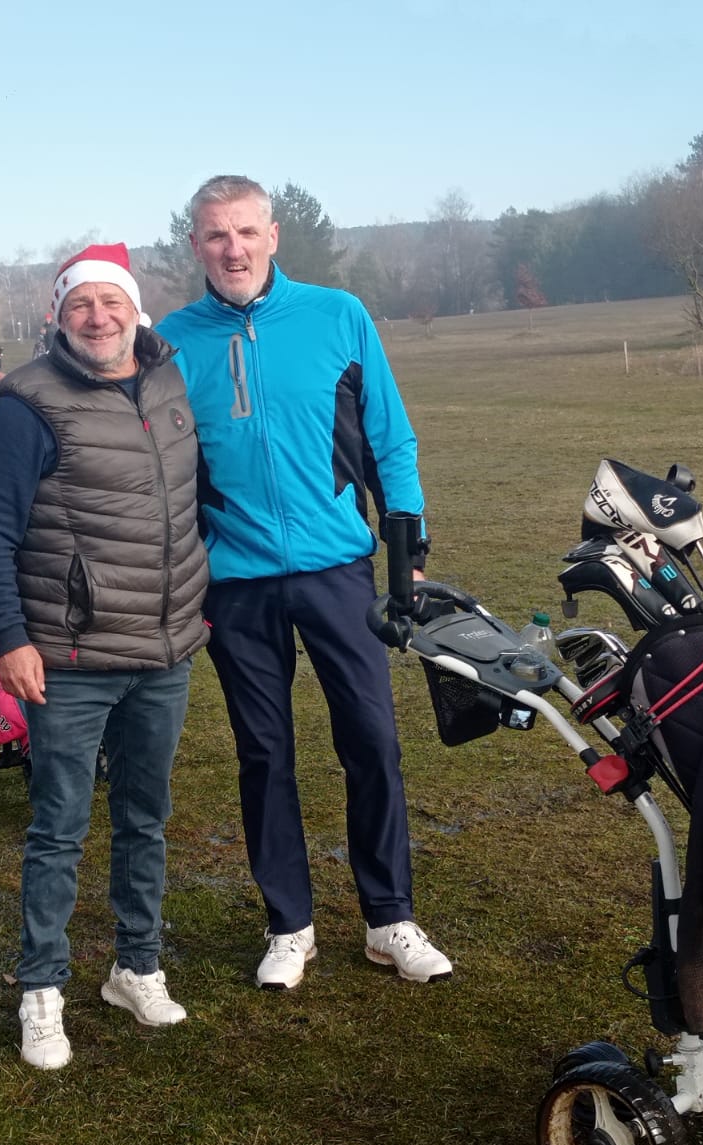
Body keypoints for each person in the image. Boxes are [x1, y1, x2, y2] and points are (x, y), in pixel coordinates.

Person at [157, 175, 451, 990]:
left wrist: (407, 551)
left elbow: (391, 439)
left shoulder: (338, 316)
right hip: (235, 583)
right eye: (217, 235)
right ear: (196, 245)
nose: (233, 249)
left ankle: (389, 918)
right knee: (264, 753)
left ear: (273, 235)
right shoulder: (169, 343)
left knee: (373, 741)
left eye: (246, 232)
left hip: (337, 570)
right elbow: (104, 407)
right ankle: (289, 926)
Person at [0, 243, 209, 1069]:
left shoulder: (169, 382)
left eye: (112, 302)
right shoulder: (25, 406)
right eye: (80, 305)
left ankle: (136, 967)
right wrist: (9, 640)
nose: (98, 318)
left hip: (164, 651)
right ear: (57, 317)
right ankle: (41, 992)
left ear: (136, 310)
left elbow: (193, 498)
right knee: (59, 829)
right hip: (68, 658)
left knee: (145, 817)